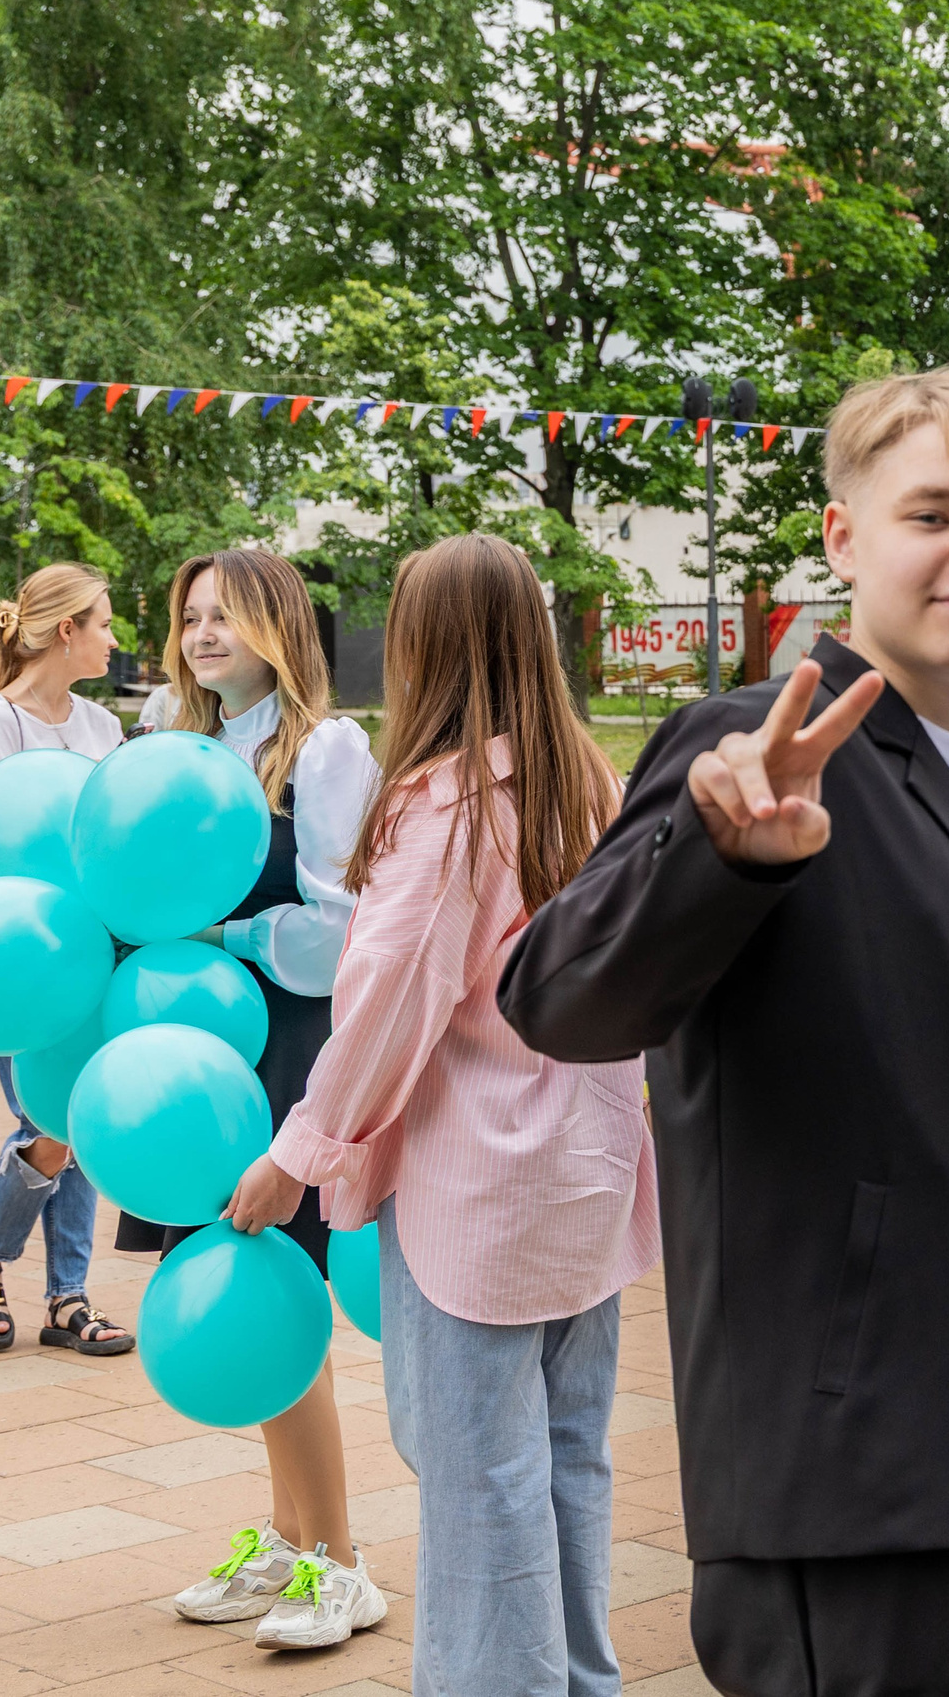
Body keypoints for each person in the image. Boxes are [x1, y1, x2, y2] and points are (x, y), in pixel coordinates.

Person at [502, 366, 949, 1697]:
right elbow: (564, 997)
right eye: (935, 512)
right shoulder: (757, 743)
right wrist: (722, 856)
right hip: (859, 1460)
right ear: (845, 535)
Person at [222, 533, 656, 1696]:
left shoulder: (449, 808)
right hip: (588, 1170)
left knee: (476, 1474)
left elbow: (383, 1012)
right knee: (567, 1459)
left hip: (477, 1185)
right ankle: (575, 1680)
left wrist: (296, 1153)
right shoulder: (590, 783)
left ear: (427, 646)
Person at [118, 546, 388, 1650]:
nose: (203, 635)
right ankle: (287, 1539)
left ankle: (342, 1565)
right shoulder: (169, 742)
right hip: (187, 1054)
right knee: (236, 1287)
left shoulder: (324, 750)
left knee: (280, 1299)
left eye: (225, 616)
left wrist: (219, 934)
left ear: (279, 625)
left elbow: (345, 934)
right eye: (189, 618)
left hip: (280, 1050)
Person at [0, 561, 133, 1357]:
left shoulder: (104, 729)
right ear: (67, 631)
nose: (115, 638)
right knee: (47, 1119)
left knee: (82, 1115)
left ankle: (68, 1298)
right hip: (11, 962)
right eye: (105, 623)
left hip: (97, 951)